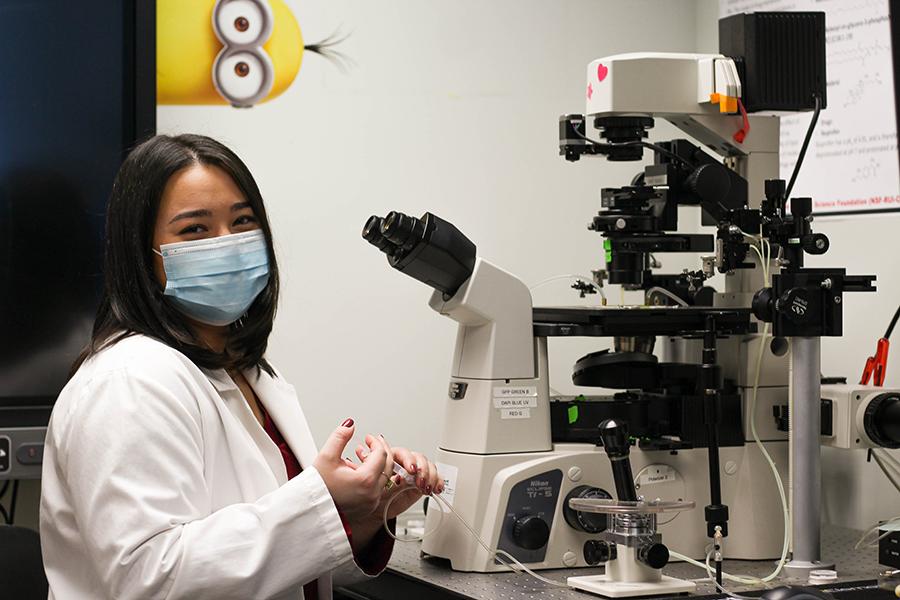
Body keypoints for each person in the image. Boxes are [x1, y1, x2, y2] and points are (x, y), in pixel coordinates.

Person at [39, 134, 443, 600]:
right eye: (195, 229)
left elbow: (284, 566)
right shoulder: (128, 382)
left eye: (243, 221)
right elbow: (149, 580)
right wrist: (323, 502)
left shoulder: (249, 372)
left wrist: (367, 514)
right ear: (141, 254)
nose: (227, 244)